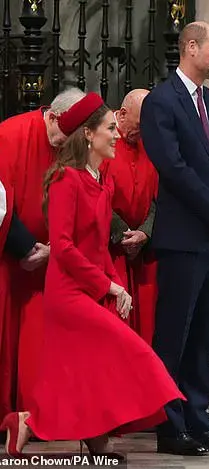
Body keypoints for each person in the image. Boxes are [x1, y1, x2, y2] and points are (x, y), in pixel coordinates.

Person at [0, 92, 184, 458]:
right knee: (132, 352)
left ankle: (69, 431)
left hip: (90, 290)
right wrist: (110, 285)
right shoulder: (66, 179)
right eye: (110, 129)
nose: (117, 135)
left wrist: (110, 287)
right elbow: (64, 247)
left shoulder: (102, 180)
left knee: (86, 369)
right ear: (88, 135)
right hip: (67, 294)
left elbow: (98, 246)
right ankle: (30, 421)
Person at [140, 21, 209, 455]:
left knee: (204, 334)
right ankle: (170, 425)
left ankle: (200, 420)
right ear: (191, 47)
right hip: (184, 236)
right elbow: (173, 167)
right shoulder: (160, 102)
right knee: (175, 335)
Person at [0, 88, 86, 423]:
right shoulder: (10, 134)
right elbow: (0, 199)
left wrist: (53, 249)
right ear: (51, 116)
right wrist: (24, 247)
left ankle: (36, 414)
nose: (64, 146)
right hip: (10, 256)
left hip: (50, 261)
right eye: (63, 135)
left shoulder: (69, 142)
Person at [103, 88, 158, 344]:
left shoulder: (150, 144)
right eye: (138, 125)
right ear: (122, 115)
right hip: (111, 252)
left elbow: (160, 197)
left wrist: (145, 233)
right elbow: (94, 192)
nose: (143, 132)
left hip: (143, 255)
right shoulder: (102, 137)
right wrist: (124, 236)